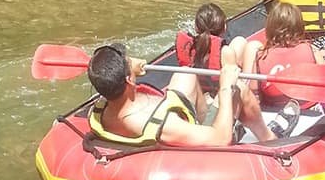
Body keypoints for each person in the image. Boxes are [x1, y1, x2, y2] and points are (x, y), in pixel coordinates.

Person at [85, 42, 298, 147]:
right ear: (129, 80)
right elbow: (219, 139)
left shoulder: (101, 107)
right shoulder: (164, 124)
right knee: (238, 88)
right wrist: (225, 86)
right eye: (127, 61)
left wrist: (132, 67)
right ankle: (270, 139)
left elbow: (118, 80)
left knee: (184, 74)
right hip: (203, 142)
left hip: (154, 112)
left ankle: (216, 114)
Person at [245, 2, 325, 109]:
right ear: (300, 26)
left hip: (275, 111)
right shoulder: (310, 49)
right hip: (308, 108)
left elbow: (254, 95)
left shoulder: (261, 56)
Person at [175, 2, 250, 95]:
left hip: (198, 94)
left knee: (239, 42)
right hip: (219, 97)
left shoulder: (188, 48)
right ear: (224, 27)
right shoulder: (226, 52)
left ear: (196, 28)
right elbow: (231, 85)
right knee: (240, 41)